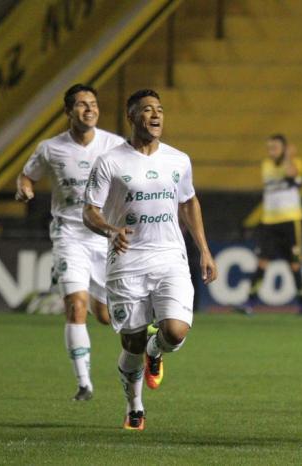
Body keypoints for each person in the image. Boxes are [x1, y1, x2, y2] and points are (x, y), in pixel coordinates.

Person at [83, 89, 217, 430]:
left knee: (175, 331)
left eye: (159, 109)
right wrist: (111, 231)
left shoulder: (178, 159)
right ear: (131, 117)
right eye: (146, 110)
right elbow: (90, 212)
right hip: (126, 261)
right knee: (132, 340)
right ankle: (135, 406)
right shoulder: (110, 161)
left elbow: (188, 202)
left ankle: (155, 353)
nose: (155, 115)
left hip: (169, 256)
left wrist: (203, 249)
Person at [15, 83, 124, 401]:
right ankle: (84, 384)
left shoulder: (114, 145)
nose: (89, 108)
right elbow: (26, 175)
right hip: (69, 236)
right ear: (68, 112)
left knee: (106, 316)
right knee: (75, 306)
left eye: (93, 103)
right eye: (81, 104)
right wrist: (25, 188)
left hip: (104, 236)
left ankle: (104, 304)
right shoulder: (51, 148)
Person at [236, 134, 302, 315]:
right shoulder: (266, 165)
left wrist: (288, 157)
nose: (271, 151)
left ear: (284, 148)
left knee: (294, 264)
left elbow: (292, 174)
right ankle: (249, 303)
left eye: (275, 147)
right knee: (262, 261)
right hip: (269, 221)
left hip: (290, 220)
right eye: (269, 147)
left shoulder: (296, 162)